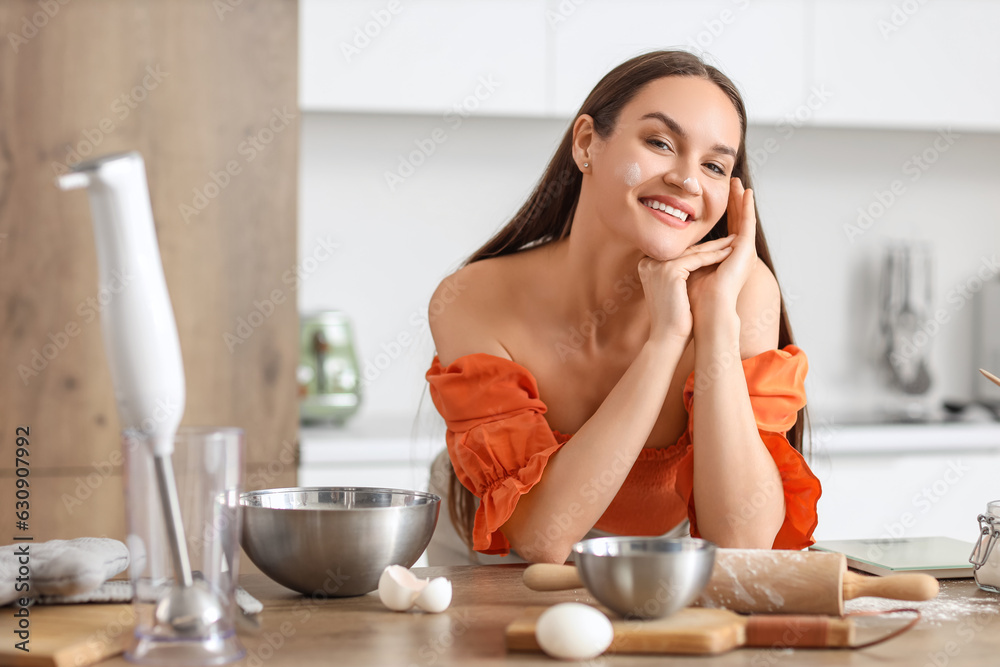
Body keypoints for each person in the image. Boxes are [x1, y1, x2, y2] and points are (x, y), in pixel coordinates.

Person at [423, 50, 821, 565]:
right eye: (659, 143)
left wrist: (716, 320)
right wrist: (667, 339)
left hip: (666, 567)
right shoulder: (474, 298)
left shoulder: (739, 292)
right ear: (587, 143)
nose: (688, 180)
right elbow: (541, 539)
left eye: (715, 166)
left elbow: (743, 541)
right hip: (495, 566)